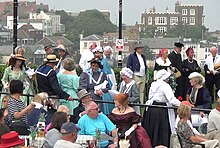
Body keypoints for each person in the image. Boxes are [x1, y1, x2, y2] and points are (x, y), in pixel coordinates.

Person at [142, 69, 181, 148]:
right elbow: (171, 99)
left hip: (152, 108)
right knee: (161, 130)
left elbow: (150, 97)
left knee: (153, 129)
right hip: (161, 110)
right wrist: (181, 104)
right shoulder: (165, 86)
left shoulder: (154, 84)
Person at [93, 46, 114, 115]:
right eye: (95, 53)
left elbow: (106, 73)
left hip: (102, 83)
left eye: (98, 53)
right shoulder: (93, 61)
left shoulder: (103, 62)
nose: (97, 54)